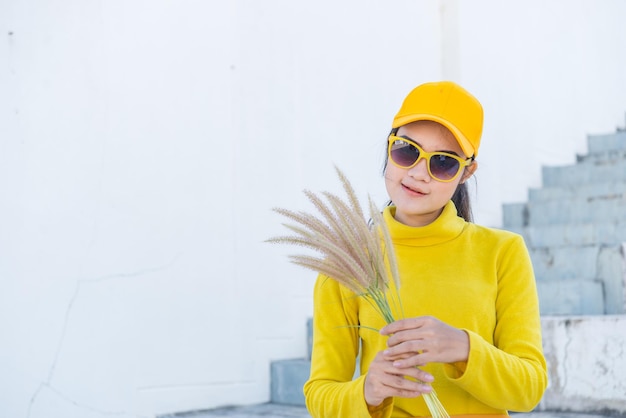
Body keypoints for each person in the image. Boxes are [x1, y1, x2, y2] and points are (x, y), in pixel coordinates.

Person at [303, 81, 547, 417]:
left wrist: (463, 347)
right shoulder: (348, 261)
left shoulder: (502, 252)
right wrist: (368, 391)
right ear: (389, 147)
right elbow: (320, 394)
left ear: (466, 172)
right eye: (406, 150)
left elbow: (529, 389)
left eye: (443, 162)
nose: (418, 173)